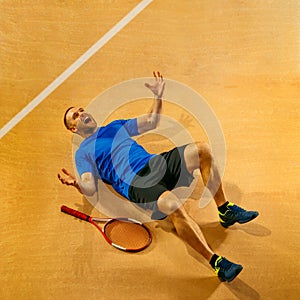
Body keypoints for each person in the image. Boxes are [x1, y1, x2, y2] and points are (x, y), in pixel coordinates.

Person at [58, 71, 259, 282]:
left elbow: (150, 122)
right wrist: (77, 184)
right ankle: (216, 262)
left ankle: (224, 210)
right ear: (73, 128)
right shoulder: (83, 153)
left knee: (202, 150)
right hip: (135, 183)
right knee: (173, 205)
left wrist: (158, 97)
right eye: (75, 116)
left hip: (155, 164)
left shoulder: (114, 126)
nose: (82, 114)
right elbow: (89, 186)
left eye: (81, 110)